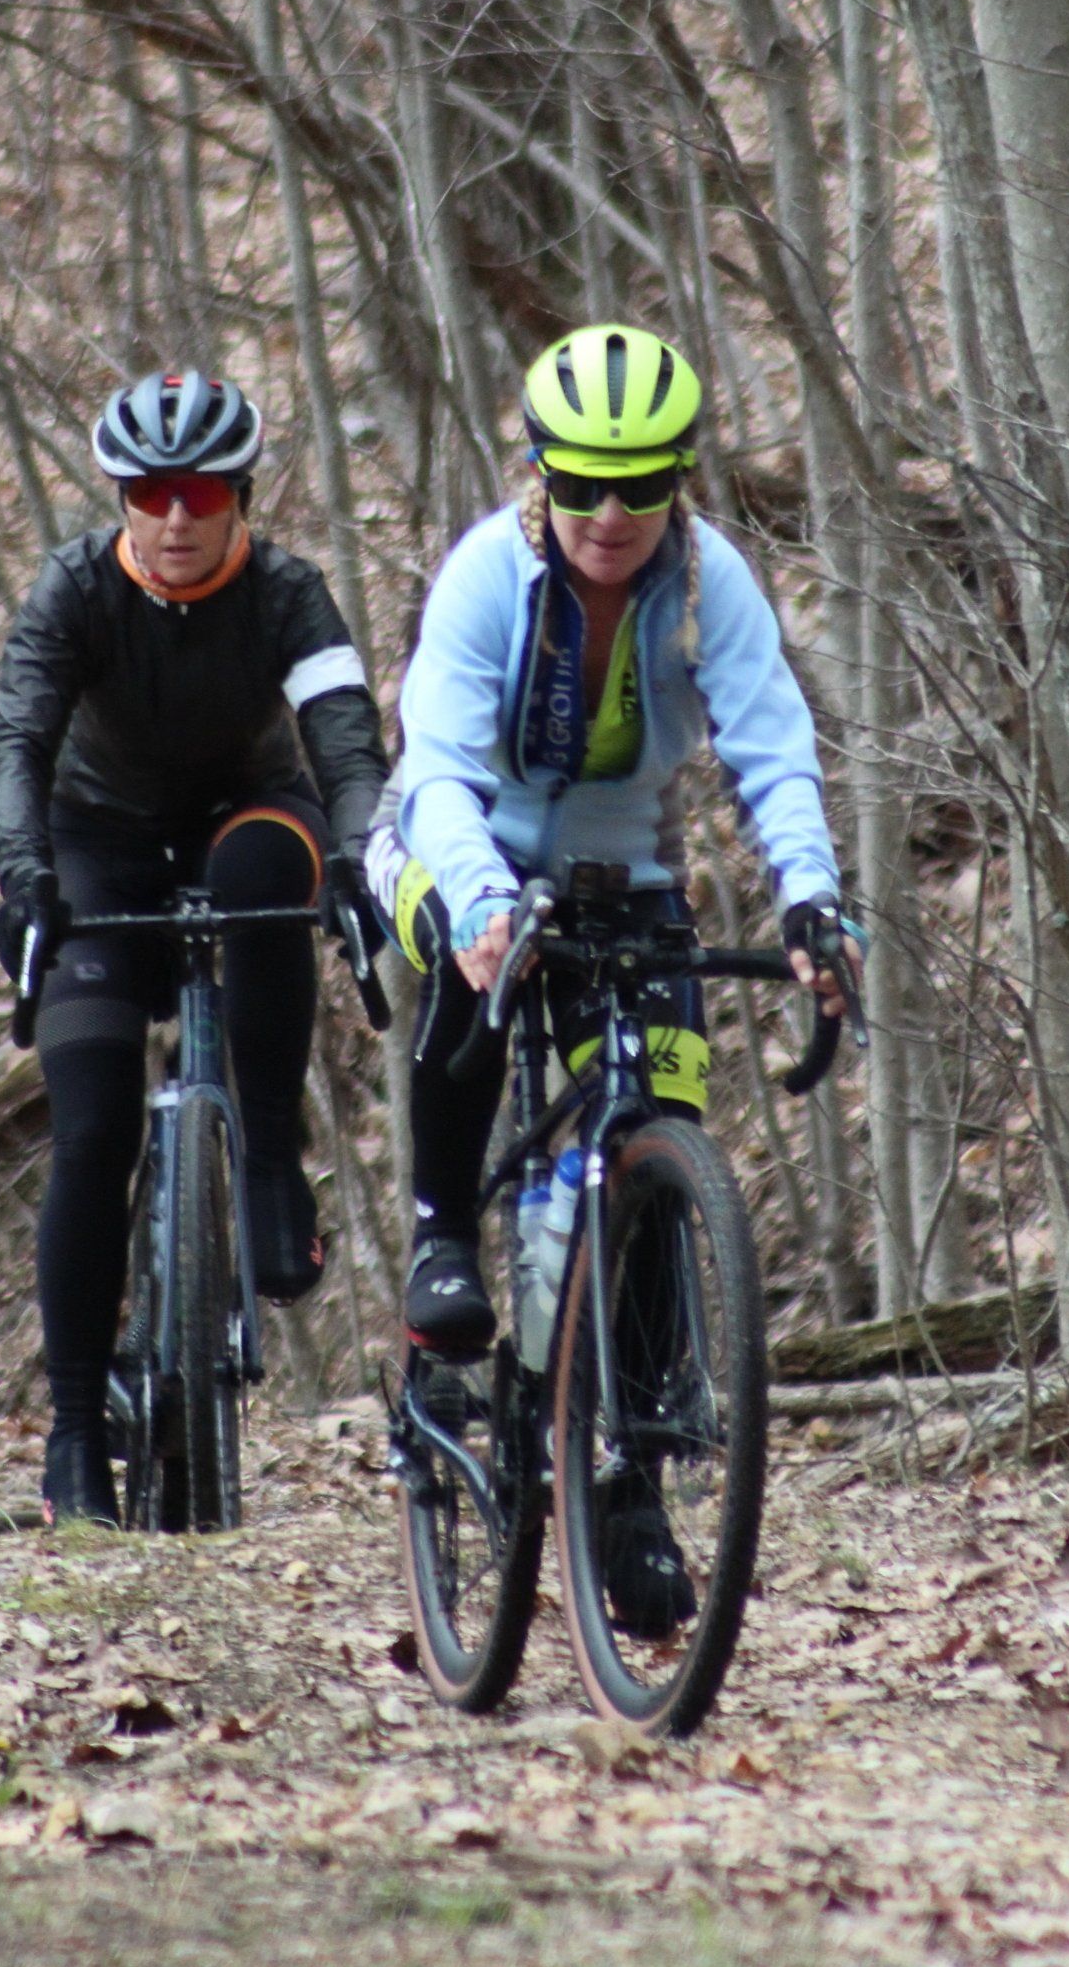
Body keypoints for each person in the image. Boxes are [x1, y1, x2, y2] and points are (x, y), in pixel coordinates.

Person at [366, 321, 856, 1633]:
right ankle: (437, 1241)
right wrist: (477, 901)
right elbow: (436, 773)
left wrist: (812, 896)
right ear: (541, 473)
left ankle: (632, 1481)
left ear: (679, 480)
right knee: (470, 959)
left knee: (659, 1116)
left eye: (642, 483)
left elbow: (772, 748)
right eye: (581, 481)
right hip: (463, 847)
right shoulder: (487, 576)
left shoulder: (709, 582)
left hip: (622, 875)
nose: (610, 511)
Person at [0, 369, 388, 1526]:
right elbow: (17, 744)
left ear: (239, 497)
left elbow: (349, 750)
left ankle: (265, 1155)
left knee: (265, 874)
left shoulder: (288, 594)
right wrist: (27, 886)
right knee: (92, 1125)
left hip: (246, 813)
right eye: (149, 493)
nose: (173, 519)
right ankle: (72, 1438)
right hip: (93, 834)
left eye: (199, 494)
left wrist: (358, 865)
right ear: (121, 497)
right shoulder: (73, 591)